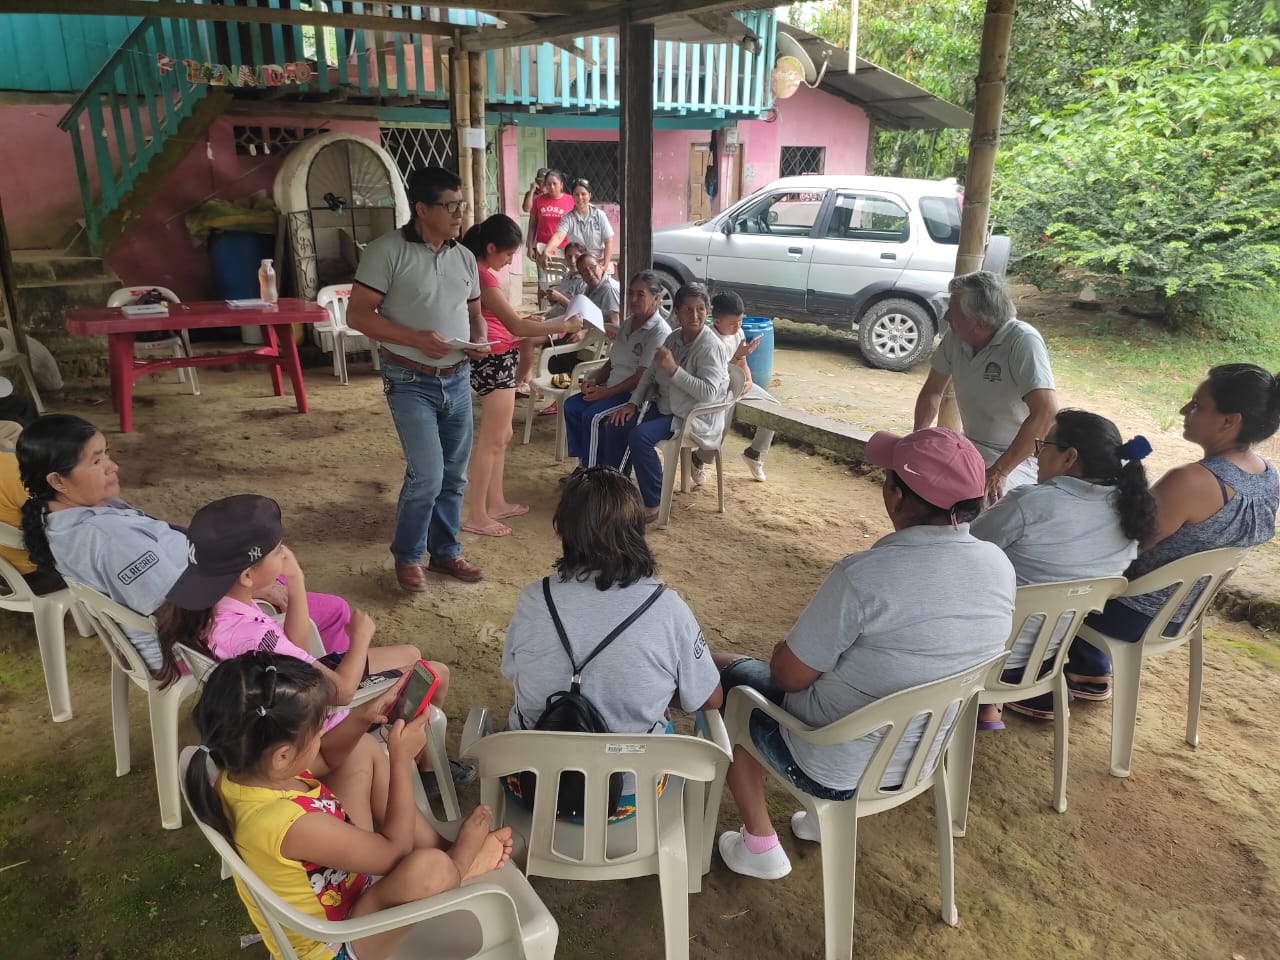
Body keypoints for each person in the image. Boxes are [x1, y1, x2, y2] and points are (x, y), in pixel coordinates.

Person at [713, 427, 1013, 880]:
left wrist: (786, 652)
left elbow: (789, 676)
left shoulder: (864, 576)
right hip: (919, 756)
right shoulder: (998, 565)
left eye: (888, 478)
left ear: (897, 497)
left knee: (726, 679)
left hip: (831, 764)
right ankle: (819, 823)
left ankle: (760, 844)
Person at [185, 653, 513, 960]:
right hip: (338, 941)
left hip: (343, 883)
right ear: (282, 756)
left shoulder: (245, 770)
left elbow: (328, 757)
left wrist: (362, 717)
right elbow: (395, 852)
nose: (322, 735)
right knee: (431, 869)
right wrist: (400, 760)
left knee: (362, 749)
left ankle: (441, 847)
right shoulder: (289, 824)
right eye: (318, 730)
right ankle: (461, 864)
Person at [152, 493, 472, 794]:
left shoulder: (211, 607)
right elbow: (342, 692)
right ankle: (426, 768)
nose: (285, 553)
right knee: (435, 672)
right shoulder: (249, 635)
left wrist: (296, 581)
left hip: (285, 695)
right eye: (277, 550)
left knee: (411, 653)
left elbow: (297, 649)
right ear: (248, 575)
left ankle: (424, 761)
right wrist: (360, 639)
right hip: (318, 723)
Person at [16, 415, 351, 674]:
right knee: (333, 610)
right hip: (188, 643)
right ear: (57, 480)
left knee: (274, 569)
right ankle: (322, 699)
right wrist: (254, 590)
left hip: (190, 611)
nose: (112, 466)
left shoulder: (57, 516)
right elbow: (177, 608)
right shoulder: (108, 538)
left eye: (107, 454)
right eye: (96, 461)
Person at [501, 466, 723, 813]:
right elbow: (709, 698)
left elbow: (513, 672)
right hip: (631, 799)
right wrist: (651, 689)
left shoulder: (534, 599)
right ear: (637, 530)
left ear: (564, 530)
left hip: (529, 787)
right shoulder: (668, 609)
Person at [1064, 364, 1280, 699]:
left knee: (1043, 562)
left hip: (1131, 615)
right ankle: (1090, 666)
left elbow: (1122, 546)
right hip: (1184, 612)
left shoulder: (1191, 480)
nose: (1183, 410)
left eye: (1197, 405)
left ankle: (1046, 675)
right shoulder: (1268, 476)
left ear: (1229, 421)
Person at [346, 166, 491, 590]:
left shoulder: (464, 256)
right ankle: (408, 556)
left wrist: (478, 340)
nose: (459, 214)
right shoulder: (386, 251)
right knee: (428, 475)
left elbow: (475, 313)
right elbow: (358, 316)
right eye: (450, 206)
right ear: (422, 209)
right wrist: (417, 339)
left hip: (457, 377)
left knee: (454, 475)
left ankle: (445, 552)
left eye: (461, 205)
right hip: (409, 379)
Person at [970, 410, 1158, 722]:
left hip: (983, 656)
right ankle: (999, 701)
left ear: (1069, 457)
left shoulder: (1030, 503)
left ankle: (983, 701)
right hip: (1047, 659)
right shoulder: (1131, 512)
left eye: (1043, 446)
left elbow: (964, 550)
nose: (1037, 456)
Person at [460, 215, 583, 537]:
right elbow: (515, 325)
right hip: (494, 360)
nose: (509, 261)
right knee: (491, 440)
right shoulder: (483, 277)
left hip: (500, 356)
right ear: (490, 248)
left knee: (502, 436)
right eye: (507, 254)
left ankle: (495, 502)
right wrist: (564, 325)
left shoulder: (481, 273)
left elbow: (508, 323)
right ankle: (477, 514)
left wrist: (531, 322)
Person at [913, 271, 1058, 500]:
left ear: (978, 322)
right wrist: (916, 439)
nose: (946, 316)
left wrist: (1000, 471)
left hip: (1018, 457)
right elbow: (933, 391)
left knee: (981, 503)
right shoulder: (956, 336)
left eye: (953, 309)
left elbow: (1046, 412)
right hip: (970, 445)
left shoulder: (1022, 341)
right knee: (918, 485)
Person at [600, 283, 729, 523]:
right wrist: (632, 404)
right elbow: (649, 373)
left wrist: (674, 370)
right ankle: (618, 490)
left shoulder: (710, 346)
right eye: (688, 309)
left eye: (700, 309)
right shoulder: (674, 337)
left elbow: (709, 394)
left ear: (707, 311)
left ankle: (655, 502)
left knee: (640, 437)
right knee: (616, 424)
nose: (694, 315)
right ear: (677, 312)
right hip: (664, 406)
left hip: (690, 415)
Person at [560, 271, 670, 478]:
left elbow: (642, 377)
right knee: (572, 406)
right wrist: (594, 380)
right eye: (631, 293)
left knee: (593, 417)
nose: (634, 299)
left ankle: (592, 476)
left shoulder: (659, 331)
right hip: (611, 388)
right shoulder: (628, 322)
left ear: (656, 298)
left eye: (641, 294)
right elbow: (612, 362)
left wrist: (606, 392)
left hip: (633, 395)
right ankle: (585, 463)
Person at [696, 291, 777, 484]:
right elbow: (719, 376)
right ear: (717, 321)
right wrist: (738, 356)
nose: (738, 326)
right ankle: (698, 459)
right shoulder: (708, 339)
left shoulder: (738, 333)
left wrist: (748, 380)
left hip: (738, 384)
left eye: (740, 321)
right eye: (733, 323)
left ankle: (754, 453)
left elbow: (742, 363)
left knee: (774, 409)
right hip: (717, 390)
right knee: (722, 419)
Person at [541, 179, 615, 274]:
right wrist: (547, 250)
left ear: (589, 195)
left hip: (597, 264)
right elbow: (559, 236)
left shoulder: (599, 215)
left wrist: (605, 263)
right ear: (572, 197)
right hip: (578, 266)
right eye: (576, 194)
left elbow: (608, 240)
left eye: (583, 194)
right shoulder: (568, 218)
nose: (580, 197)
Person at [525, 169, 575, 307]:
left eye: (555, 183)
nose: (551, 187)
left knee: (564, 281)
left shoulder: (571, 200)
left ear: (561, 184)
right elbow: (532, 225)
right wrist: (530, 246)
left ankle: (562, 308)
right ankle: (542, 310)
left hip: (565, 249)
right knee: (543, 282)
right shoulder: (538, 201)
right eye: (548, 184)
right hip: (542, 248)